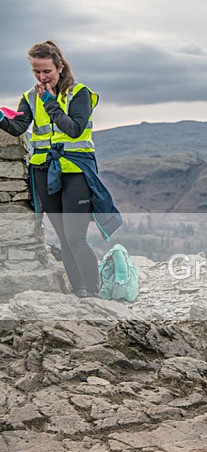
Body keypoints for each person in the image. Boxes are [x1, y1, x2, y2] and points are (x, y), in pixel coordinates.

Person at [0, 41, 121, 298]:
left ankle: (93, 292)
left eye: (47, 72)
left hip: (75, 170)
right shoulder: (30, 97)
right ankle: (79, 293)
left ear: (60, 66)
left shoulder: (79, 93)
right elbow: (18, 128)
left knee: (76, 237)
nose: (42, 77)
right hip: (44, 171)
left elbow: (74, 129)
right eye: (36, 72)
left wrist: (50, 102)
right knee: (64, 238)